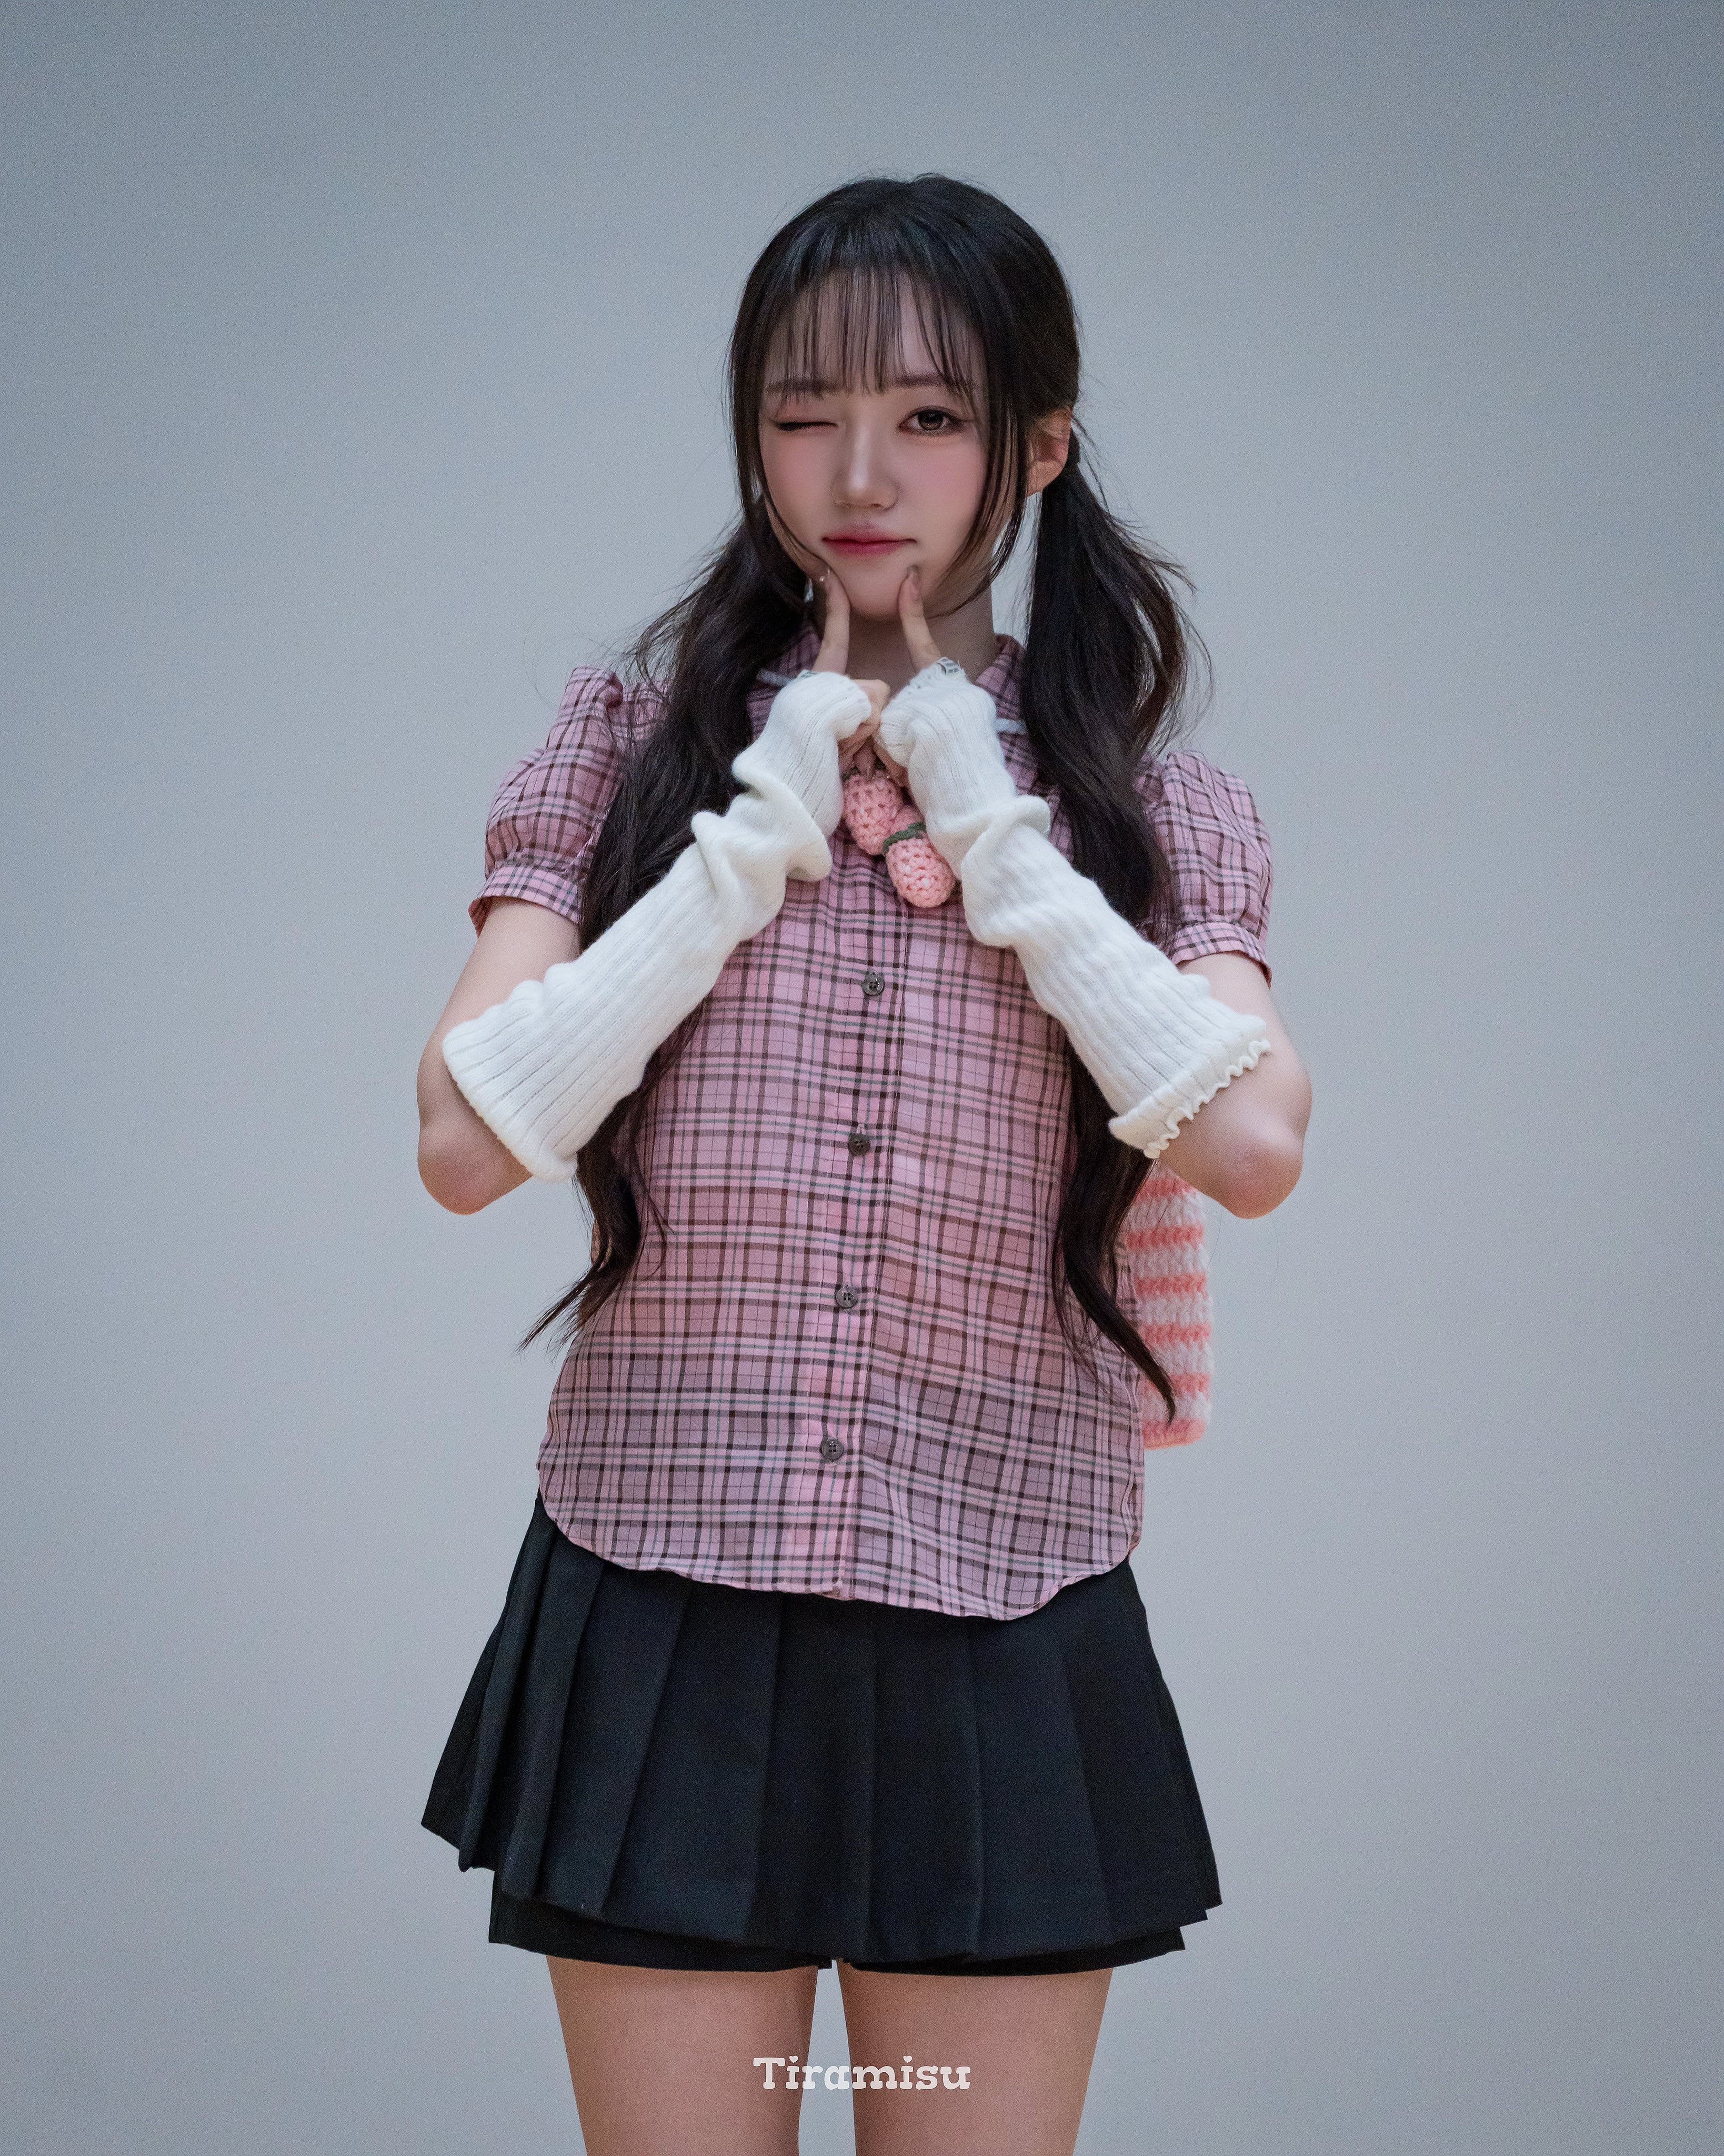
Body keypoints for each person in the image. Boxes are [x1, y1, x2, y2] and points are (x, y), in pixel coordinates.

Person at [415, 173, 1311, 2156]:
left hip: (1008, 1592)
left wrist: (997, 826)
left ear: (1039, 445)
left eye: (928, 415)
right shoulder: (624, 755)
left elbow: (1248, 1140)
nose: (858, 472)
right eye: (801, 412)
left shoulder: (1155, 807)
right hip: (658, 1593)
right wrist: (744, 845)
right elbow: (467, 1139)